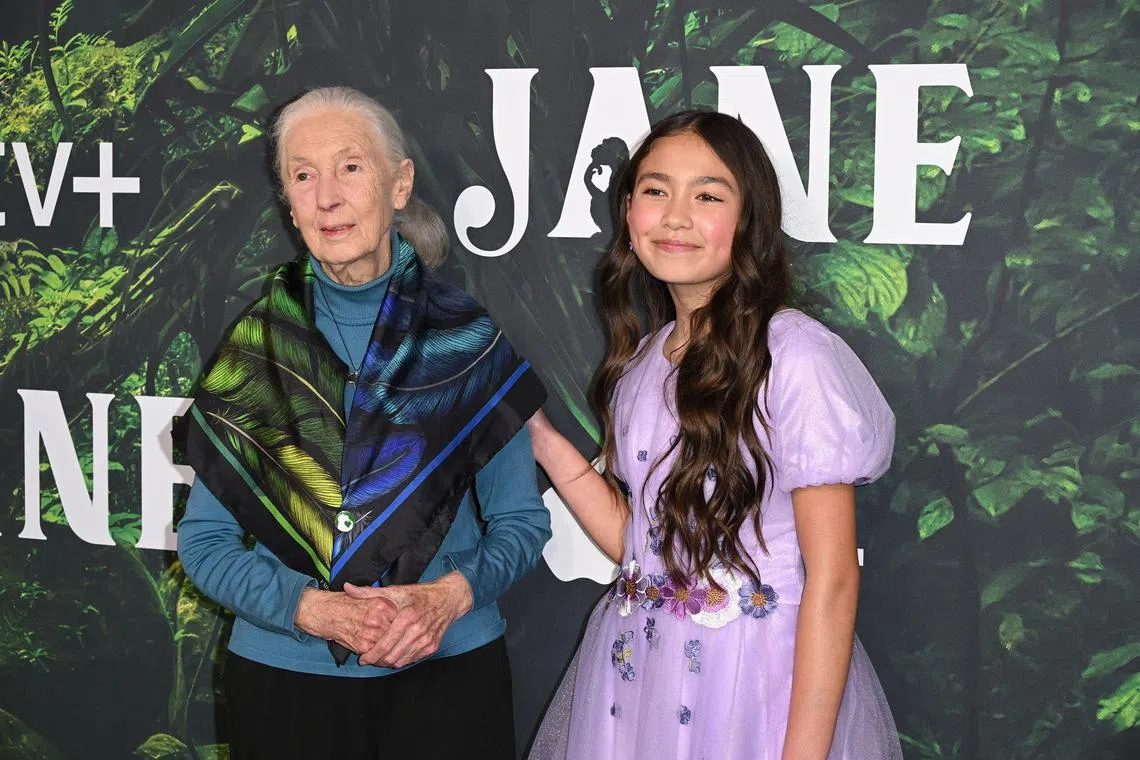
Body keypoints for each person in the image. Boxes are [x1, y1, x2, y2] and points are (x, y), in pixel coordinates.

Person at [175, 86, 550, 760]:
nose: (327, 197)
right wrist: (311, 608)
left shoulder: (464, 343)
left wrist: (445, 598)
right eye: (303, 175)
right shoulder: (259, 352)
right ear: (289, 204)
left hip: (448, 677)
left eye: (350, 167)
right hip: (287, 683)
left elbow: (522, 525)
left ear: (399, 184)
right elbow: (205, 544)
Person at [527, 110, 903, 759]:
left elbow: (835, 578)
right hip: (637, 677)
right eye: (655, 191)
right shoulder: (641, 364)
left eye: (707, 196)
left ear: (749, 219)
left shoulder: (794, 356)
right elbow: (641, 547)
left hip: (754, 685)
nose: (675, 217)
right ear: (628, 213)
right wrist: (538, 434)